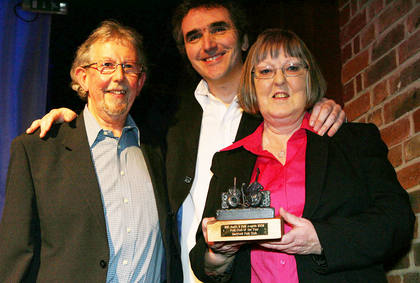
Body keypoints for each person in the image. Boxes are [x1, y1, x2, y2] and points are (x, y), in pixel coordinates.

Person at [25, 1, 346, 282]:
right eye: (194, 36)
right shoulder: (166, 119)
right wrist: (71, 122)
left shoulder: (277, 113)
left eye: (219, 30)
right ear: (186, 50)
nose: (207, 44)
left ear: (244, 39)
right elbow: (112, 119)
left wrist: (319, 105)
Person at [189, 28, 414, 283]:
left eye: (292, 67)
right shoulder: (229, 160)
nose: (280, 80)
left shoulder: (353, 142)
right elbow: (202, 261)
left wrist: (320, 239)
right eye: (265, 71)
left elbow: (397, 222)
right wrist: (219, 254)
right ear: (252, 84)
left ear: (309, 78)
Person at [0, 20, 181, 282]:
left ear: (140, 82)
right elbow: (15, 259)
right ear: (82, 77)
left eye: (128, 67)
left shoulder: (158, 150)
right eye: (106, 65)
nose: (118, 76)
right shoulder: (37, 151)